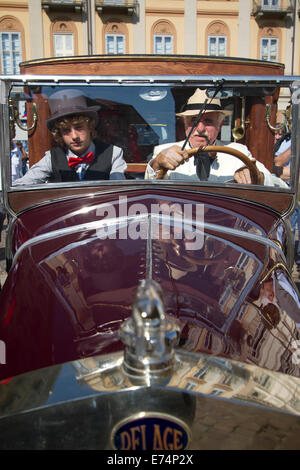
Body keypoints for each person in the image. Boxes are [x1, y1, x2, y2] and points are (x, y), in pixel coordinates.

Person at [145, 88, 287, 187]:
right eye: (194, 121)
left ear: (220, 125)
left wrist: (256, 175)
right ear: (185, 124)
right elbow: (148, 186)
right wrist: (157, 163)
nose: (200, 129)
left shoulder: (238, 152)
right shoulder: (164, 151)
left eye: (208, 121)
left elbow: (272, 183)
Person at [13, 89, 126, 186]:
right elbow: (22, 185)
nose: (74, 136)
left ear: (90, 127)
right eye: (66, 130)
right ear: (59, 134)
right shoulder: (52, 157)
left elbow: (117, 191)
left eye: (79, 128)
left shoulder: (113, 154)